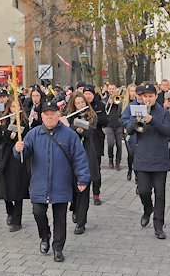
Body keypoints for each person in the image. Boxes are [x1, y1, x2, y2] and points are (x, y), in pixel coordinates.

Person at [14, 98, 90, 263]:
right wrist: (18, 149)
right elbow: (23, 155)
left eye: (53, 114)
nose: (49, 117)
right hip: (39, 183)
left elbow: (79, 157)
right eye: (46, 114)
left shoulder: (69, 135)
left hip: (61, 183)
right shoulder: (33, 134)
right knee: (38, 212)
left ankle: (58, 248)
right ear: (42, 117)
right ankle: (44, 235)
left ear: (58, 115)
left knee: (60, 217)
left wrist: (83, 178)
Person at [127, 83, 170, 239]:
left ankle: (158, 225)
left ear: (155, 96)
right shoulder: (137, 110)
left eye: (150, 96)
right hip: (142, 158)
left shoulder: (164, 113)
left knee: (160, 194)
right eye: (145, 96)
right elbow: (129, 130)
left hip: (159, 158)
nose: (147, 99)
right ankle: (147, 209)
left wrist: (152, 120)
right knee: (144, 191)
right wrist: (136, 120)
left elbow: (167, 131)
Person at [0, 96, 30, 232]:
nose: (15, 109)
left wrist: (2, 128)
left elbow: (14, 139)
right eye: (13, 107)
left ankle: (17, 221)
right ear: (9, 108)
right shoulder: (4, 120)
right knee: (4, 188)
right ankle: (9, 211)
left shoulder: (23, 122)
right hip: (3, 158)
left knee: (17, 190)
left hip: (16, 159)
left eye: (18, 107)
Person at [64, 92, 99, 235]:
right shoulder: (69, 116)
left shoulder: (92, 116)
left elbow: (88, 132)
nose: (81, 105)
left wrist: (72, 127)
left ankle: (81, 222)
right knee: (72, 190)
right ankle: (74, 207)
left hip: (86, 157)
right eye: (77, 103)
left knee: (83, 190)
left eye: (82, 102)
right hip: (70, 158)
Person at [82, 85, 108, 205]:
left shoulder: (99, 105)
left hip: (96, 139)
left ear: (93, 95)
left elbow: (105, 121)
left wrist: (94, 117)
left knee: (96, 168)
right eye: (86, 94)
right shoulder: (80, 105)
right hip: (82, 140)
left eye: (90, 94)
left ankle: (96, 194)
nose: (88, 96)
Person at [102, 83, 124, 171]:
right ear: (107, 89)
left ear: (116, 89)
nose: (111, 90)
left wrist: (116, 102)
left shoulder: (119, 98)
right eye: (110, 89)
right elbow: (104, 111)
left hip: (118, 124)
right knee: (110, 143)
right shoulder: (104, 100)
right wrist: (108, 103)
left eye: (113, 89)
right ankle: (111, 159)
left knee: (119, 145)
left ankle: (118, 162)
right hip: (109, 125)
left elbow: (121, 109)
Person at [122, 84, 140, 182]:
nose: (133, 93)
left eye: (135, 91)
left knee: (138, 155)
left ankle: (138, 176)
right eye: (132, 91)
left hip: (140, 133)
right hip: (129, 133)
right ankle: (130, 170)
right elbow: (122, 118)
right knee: (131, 153)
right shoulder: (128, 104)